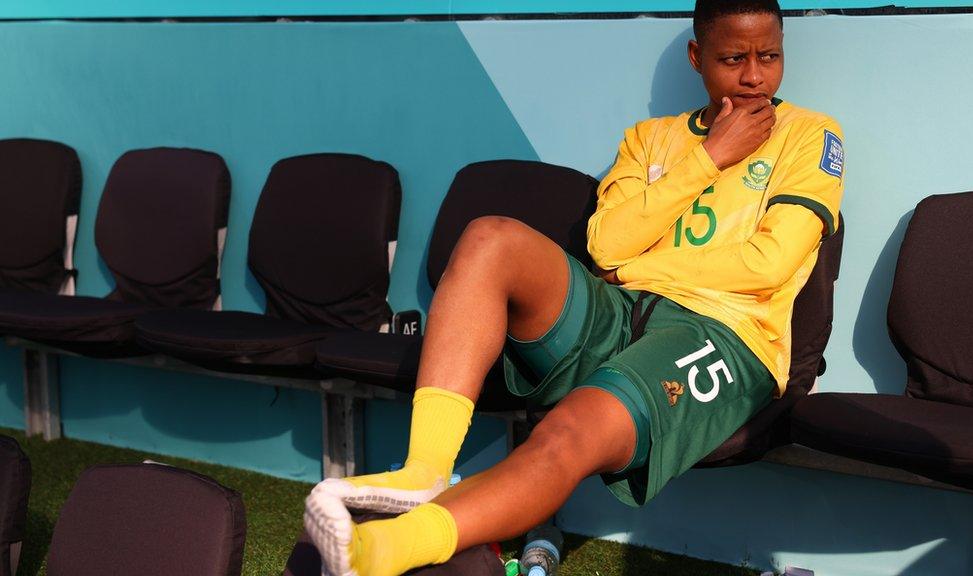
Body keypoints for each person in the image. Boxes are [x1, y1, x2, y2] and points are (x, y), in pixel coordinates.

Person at [304, 1, 845, 574]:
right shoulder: (649, 139)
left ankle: (380, 551)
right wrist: (709, 158)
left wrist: (640, 266)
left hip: (725, 332)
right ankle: (424, 471)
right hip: (620, 310)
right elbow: (606, 246)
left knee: (565, 430)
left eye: (770, 57)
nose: (754, 76)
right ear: (697, 57)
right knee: (491, 237)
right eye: (734, 58)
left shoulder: (810, 136)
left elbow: (767, 263)